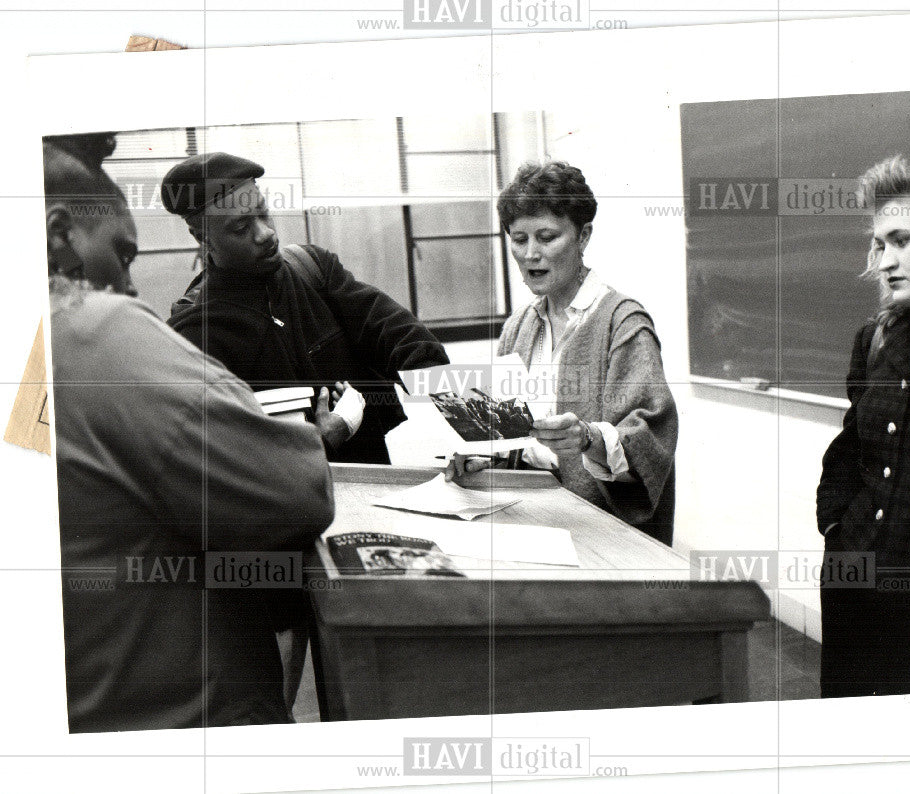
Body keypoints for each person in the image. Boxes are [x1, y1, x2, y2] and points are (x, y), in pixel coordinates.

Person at [44, 134, 339, 732]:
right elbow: (296, 489)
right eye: (121, 257)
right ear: (59, 238)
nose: (127, 289)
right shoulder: (90, 329)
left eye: (264, 214)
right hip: (192, 720)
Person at [160, 152, 450, 465]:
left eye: (264, 214)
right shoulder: (196, 332)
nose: (266, 233)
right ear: (202, 237)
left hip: (371, 486)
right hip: (284, 509)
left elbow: (397, 335)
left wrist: (466, 414)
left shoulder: (312, 270)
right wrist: (318, 442)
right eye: (241, 227)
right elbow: (210, 457)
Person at [449, 161, 678, 545]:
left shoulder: (623, 323)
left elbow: (650, 441)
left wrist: (587, 439)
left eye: (547, 236)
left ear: (583, 236)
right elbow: (509, 438)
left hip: (600, 532)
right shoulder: (517, 327)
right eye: (519, 239)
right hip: (531, 516)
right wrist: (481, 457)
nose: (530, 254)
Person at [816, 149, 910, 697]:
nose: (883, 260)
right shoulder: (876, 339)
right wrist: (836, 530)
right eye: (880, 244)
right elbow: (849, 449)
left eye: (902, 240)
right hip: (854, 583)